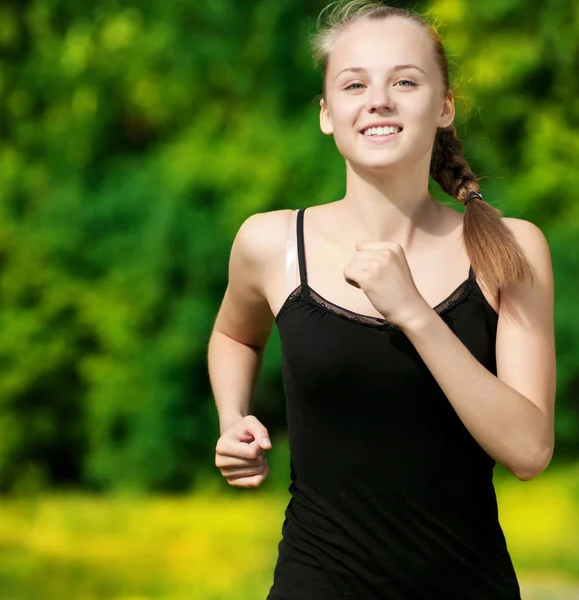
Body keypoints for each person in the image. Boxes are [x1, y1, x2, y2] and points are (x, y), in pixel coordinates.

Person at [207, 1, 556, 598]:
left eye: (405, 81)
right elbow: (234, 335)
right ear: (327, 113)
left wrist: (415, 313)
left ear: (444, 107)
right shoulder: (269, 243)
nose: (379, 99)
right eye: (354, 83)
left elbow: (529, 450)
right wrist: (234, 417)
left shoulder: (511, 248)